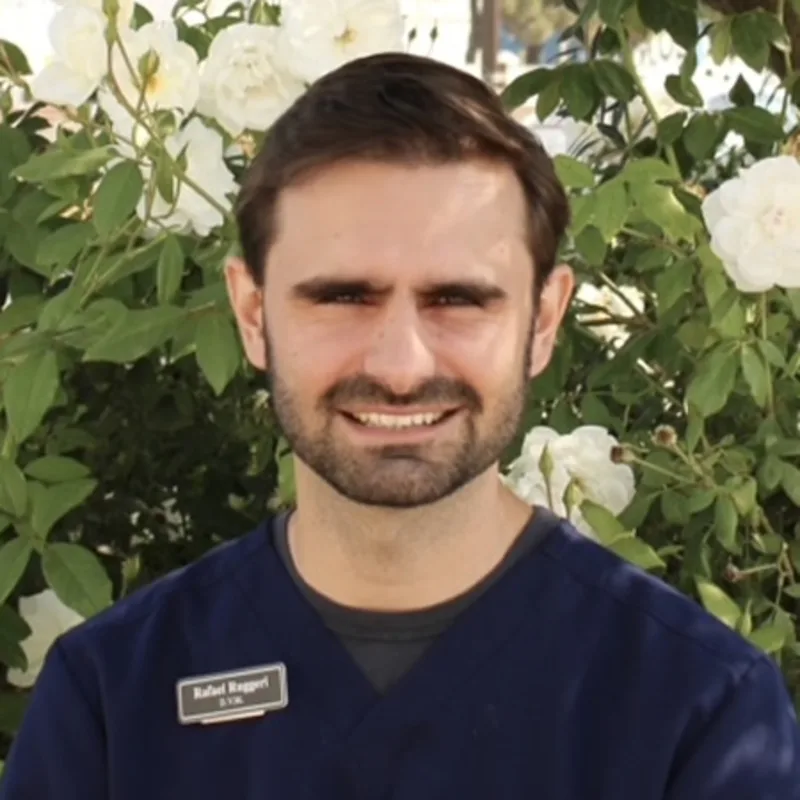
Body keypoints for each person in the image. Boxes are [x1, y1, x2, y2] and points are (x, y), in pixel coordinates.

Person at [1, 52, 798, 800]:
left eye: (459, 298)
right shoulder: (110, 706)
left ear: (544, 321)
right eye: (342, 297)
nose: (401, 364)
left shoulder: (697, 713)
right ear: (252, 314)